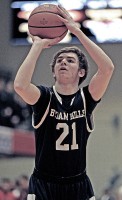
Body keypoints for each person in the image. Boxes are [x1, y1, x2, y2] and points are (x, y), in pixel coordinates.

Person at [14, 4, 114, 200]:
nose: (63, 62)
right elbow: (20, 85)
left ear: (81, 72)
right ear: (53, 71)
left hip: (77, 184)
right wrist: (37, 46)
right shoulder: (44, 98)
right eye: (59, 60)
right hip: (44, 184)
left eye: (70, 60)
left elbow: (107, 68)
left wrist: (76, 31)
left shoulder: (86, 98)